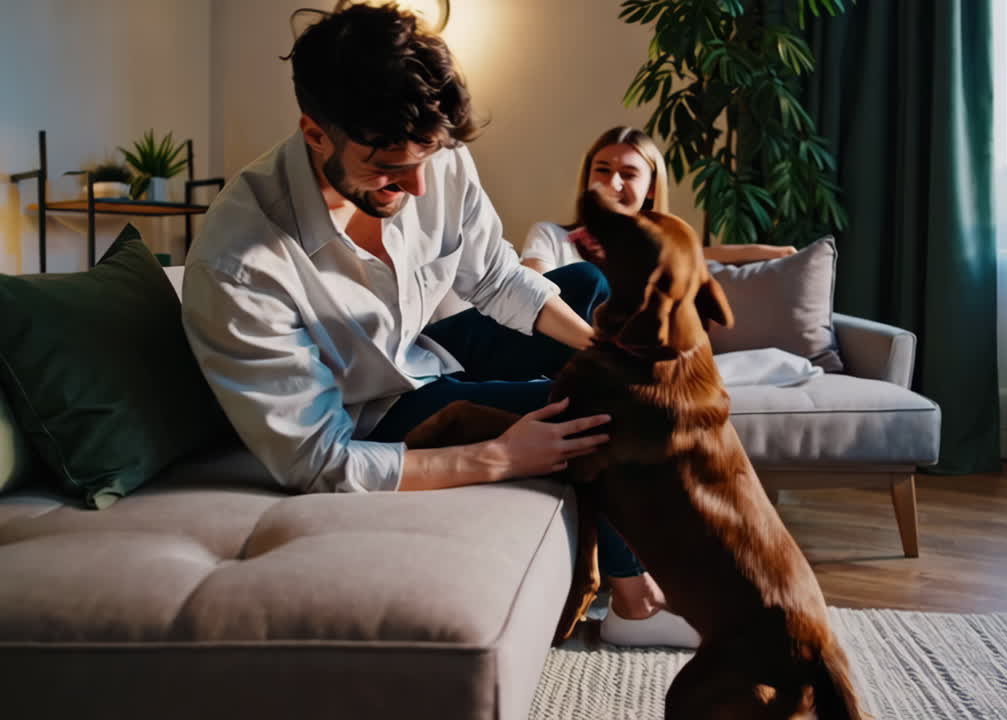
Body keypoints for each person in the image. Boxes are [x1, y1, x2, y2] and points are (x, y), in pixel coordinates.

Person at [181, 3, 694, 647]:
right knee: (604, 410)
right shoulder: (239, 264)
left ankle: (626, 531)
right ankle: (633, 602)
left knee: (588, 298)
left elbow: (498, 279)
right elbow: (317, 462)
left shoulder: (434, 156)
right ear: (315, 134)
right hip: (370, 410)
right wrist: (500, 457)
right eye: (390, 167)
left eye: (429, 156)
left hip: (422, 351)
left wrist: (604, 348)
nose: (421, 186)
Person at [520, 126, 797, 275]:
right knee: (586, 277)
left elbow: (705, 255)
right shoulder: (550, 236)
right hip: (567, 352)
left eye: (628, 174)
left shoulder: (659, 252)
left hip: (633, 356)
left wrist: (780, 253)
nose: (613, 183)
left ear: (651, 188)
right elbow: (534, 297)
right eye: (602, 170)